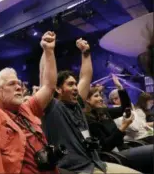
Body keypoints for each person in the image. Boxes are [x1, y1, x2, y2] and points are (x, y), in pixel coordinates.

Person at [0, 12, 61, 174]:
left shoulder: (26, 109)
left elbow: (49, 86)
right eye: (12, 84)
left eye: (19, 84)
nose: (19, 87)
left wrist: (49, 52)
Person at [40, 39, 140, 173]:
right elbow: (46, 81)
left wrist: (85, 53)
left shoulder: (76, 105)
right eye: (70, 84)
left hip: (96, 164)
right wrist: (48, 50)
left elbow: (86, 77)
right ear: (58, 89)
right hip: (77, 170)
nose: (75, 87)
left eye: (75, 84)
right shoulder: (53, 108)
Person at [86, 87, 153, 173]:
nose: (101, 99)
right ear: (87, 99)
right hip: (113, 155)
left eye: (100, 96)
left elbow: (126, 107)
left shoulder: (104, 112)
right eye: (96, 96)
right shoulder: (89, 120)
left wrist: (120, 89)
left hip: (123, 148)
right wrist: (123, 127)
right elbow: (105, 146)